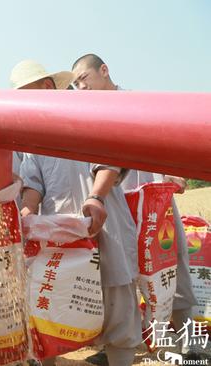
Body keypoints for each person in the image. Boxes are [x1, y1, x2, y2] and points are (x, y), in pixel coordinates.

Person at [72, 53, 202, 362]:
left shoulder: (136, 101)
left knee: (172, 267)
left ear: (104, 71)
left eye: (84, 79)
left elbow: (166, 139)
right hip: (118, 205)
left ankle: (190, 345)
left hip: (155, 201)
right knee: (122, 274)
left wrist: (172, 170)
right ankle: (120, 346)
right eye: (76, 84)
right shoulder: (87, 115)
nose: (81, 87)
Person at [12, 60, 141, 366]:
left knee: (117, 306)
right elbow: (34, 183)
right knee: (52, 304)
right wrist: (28, 210)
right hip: (61, 235)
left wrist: (96, 196)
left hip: (102, 220)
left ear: (46, 87)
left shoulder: (90, 112)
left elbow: (113, 159)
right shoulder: (35, 135)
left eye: (28, 94)